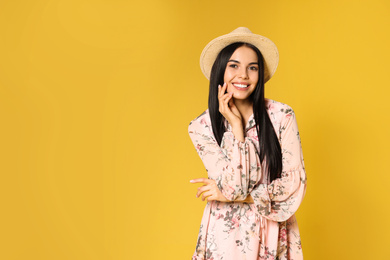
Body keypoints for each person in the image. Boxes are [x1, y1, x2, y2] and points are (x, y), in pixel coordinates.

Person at [188, 27, 307, 260]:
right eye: (234, 66)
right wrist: (236, 128)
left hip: (273, 230)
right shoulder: (201, 127)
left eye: (252, 68)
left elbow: (295, 184)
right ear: (220, 71)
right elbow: (235, 187)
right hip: (225, 237)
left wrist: (238, 196)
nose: (243, 75)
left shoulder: (281, 116)